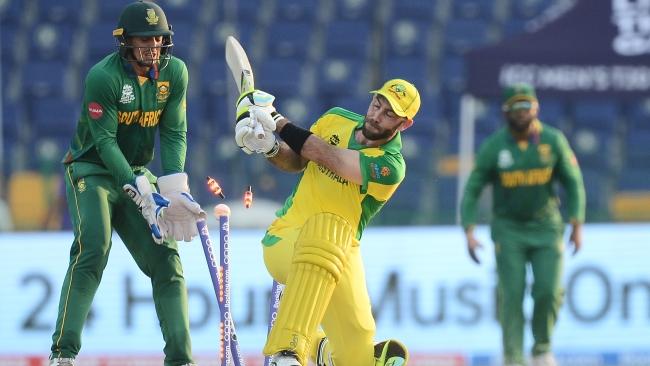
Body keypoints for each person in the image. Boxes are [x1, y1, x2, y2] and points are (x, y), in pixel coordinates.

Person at [49, 1, 205, 365]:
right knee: (94, 245)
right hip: (90, 169)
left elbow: (174, 133)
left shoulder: (175, 74)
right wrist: (137, 186)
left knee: (167, 260)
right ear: (125, 42)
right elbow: (103, 143)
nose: (152, 47)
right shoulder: (103, 77)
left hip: (137, 170)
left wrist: (174, 186)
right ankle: (63, 354)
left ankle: (181, 360)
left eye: (158, 39)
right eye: (143, 39)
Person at [233, 79, 420, 366]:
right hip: (287, 238)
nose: (376, 115)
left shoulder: (391, 166)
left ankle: (321, 351)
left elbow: (328, 157)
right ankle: (288, 351)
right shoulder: (336, 119)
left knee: (358, 354)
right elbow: (297, 160)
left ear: (404, 125)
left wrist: (276, 121)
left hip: (341, 253)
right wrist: (268, 146)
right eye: (376, 105)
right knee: (326, 228)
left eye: (389, 115)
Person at [460, 83, 586, 366]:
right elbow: (472, 189)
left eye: (525, 105)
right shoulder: (494, 147)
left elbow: (573, 182)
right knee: (512, 294)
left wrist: (577, 223)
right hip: (509, 229)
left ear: (536, 108)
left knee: (548, 291)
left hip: (547, 226)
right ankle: (513, 357)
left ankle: (542, 349)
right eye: (515, 107)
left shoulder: (553, 141)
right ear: (505, 111)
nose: (521, 112)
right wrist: (468, 229)